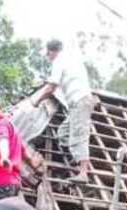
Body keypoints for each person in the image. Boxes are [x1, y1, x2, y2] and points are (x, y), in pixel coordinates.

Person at [32, 39, 94, 184]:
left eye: (48, 55)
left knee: (79, 135)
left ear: (51, 52)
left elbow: (51, 87)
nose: (49, 57)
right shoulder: (72, 59)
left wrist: (36, 100)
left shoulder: (59, 61)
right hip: (76, 104)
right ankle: (76, 161)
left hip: (80, 101)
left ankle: (83, 173)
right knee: (63, 133)